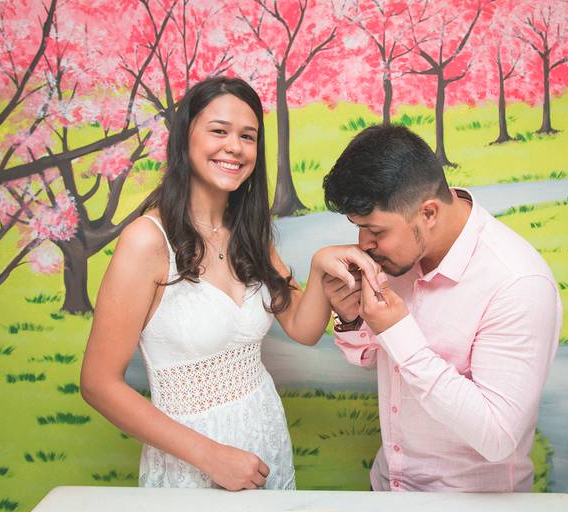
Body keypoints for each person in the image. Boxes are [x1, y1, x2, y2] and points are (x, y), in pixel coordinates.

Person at [80, 77, 379, 491]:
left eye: (248, 136)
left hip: (264, 439)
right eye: (219, 131)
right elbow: (98, 384)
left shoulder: (249, 231)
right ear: (185, 138)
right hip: (193, 459)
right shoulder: (147, 241)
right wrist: (211, 457)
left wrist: (319, 268)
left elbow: (303, 328)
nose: (235, 147)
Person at [321, 125, 562, 492]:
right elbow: (373, 358)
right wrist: (353, 318)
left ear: (429, 213)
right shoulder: (399, 255)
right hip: (387, 490)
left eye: (375, 231)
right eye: (358, 227)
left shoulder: (517, 283)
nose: (363, 243)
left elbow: (498, 436)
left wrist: (399, 333)